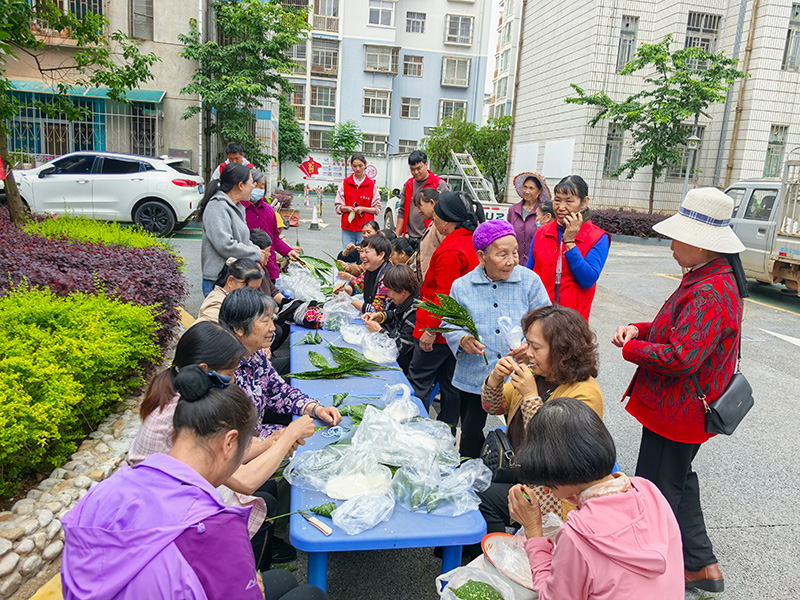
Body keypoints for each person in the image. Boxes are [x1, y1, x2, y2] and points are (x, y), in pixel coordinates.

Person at [63, 364, 327, 600]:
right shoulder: (216, 529)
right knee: (311, 594)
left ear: (175, 434)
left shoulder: (103, 491)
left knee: (284, 581)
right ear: (229, 443)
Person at [612, 187, 748, 593]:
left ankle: (654, 575)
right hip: (680, 410)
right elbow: (676, 330)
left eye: (677, 238)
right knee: (678, 481)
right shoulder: (708, 277)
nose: (671, 246)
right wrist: (639, 329)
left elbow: (680, 356)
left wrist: (632, 349)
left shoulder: (710, 290)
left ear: (701, 243)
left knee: (655, 492)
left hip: (678, 410)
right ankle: (702, 565)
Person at [127, 322, 315, 571]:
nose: (235, 380)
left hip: (177, 501)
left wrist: (274, 441)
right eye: (232, 372)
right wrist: (289, 435)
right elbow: (243, 480)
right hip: (174, 522)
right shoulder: (186, 413)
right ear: (205, 370)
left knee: (267, 492)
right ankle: (248, 576)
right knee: (260, 502)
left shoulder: (182, 392)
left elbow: (228, 457)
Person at [508, 397, 683, 599]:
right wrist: (580, 498)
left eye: (546, 481)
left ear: (559, 474)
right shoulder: (648, 490)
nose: (546, 490)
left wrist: (533, 529)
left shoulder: (577, 536)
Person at [479, 305, 603, 539]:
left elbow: (553, 450)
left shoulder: (585, 393)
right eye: (527, 344)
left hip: (553, 490)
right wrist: (495, 378)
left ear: (562, 351)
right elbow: (493, 407)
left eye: (535, 347)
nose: (527, 353)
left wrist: (529, 396)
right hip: (522, 471)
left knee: (483, 498)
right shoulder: (537, 374)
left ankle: (499, 551)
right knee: (472, 480)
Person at [443, 220, 550, 458]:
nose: (512, 260)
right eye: (503, 254)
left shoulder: (529, 281)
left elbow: (546, 320)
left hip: (520, 373)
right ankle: (470, 466)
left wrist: (529, 346)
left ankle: (515, 469)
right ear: (482, 256)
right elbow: (448, 323)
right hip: (475, 373)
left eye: (515, 252)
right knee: (471, 430)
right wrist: (462, 339)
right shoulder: (462, 286)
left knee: (521, 429)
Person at [408, 191, 481, 421]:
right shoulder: (471, 241)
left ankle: (415, 425)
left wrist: (431, 330)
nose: (433, 221)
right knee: (451, 384)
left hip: (439, 330)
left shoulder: (451, 250)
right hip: (458, 329)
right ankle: (446, 430)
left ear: (447, 220)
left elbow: (444, 296)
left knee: (419, 381)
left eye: (435, 217)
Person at [526, 175, 610, 320]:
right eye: (557, 200)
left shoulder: (598, 237)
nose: (561, 207)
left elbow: (588, 280)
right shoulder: (542, 232)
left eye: (569, 201)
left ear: (584, 202)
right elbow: (529, 273)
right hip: (539, 316)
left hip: (571, 322)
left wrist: (570, 242)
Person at [199, 163, 263, 296]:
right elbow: (225, 245)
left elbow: (244, 240)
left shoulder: (238, 207)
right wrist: (256, 253)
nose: (254, 187)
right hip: (218, 280)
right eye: (252, 183)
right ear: (240, 185)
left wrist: (257, 251)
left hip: (236, 277)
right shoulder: (217, 206)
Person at [242, 168, 302, 282]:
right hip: (247, 269)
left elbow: (275, 237)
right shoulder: (239, 210)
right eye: (255, 185)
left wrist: (288, 251)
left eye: (262, 186)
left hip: (269, 267)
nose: (258, 189)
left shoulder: (269, 210)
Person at [361, 264, 419, 375]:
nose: (389, 295)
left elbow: (401, 347)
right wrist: (379, 316)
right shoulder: (406, 300)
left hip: (405, 365)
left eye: (391, 290)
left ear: (402, 291)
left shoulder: (415, 311)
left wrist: (379, 331)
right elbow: (395, 313)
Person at [395, 150, 449, 242]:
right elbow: (402, 211)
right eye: (412, 169)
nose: (416, 172)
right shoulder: (408, 185)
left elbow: (446, 212)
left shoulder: (439, 184)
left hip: (432, 238)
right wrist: (396, 236)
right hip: (411, 237)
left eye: (419, 168)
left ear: (426, 165)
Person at [334, 234, 392, 313]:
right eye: (361, 251)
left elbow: (375, 310)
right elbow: (356, 286)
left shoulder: (388, 278)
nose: (362, 256)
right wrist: (344, 289)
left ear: (381, 255)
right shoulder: (371, 268)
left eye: (366, 252)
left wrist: (350, 301)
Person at [334, 153, 382, 250]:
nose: (358, 169)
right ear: (351, 166)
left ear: (365, 165)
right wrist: (346, 208)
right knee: (348, 253)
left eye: (360, 166)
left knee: (364, 254)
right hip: (348, 227)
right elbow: (338, 206)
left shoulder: (371, 185)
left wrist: (363, 209)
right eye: (355, 166)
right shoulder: (345, 183)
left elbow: (377, 209)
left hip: (366, 229)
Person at [195, 257, 263, 324]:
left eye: (256, 290)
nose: (254, 295)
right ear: (231, 281)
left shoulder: (238, 302)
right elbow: (207, 326)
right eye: (249, 289)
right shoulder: (216, 304)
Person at [508, 172, 551, 265]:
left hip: (535, 263)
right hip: (514, 263)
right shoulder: (513, 210)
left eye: (531, 188)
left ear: (540, 191)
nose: (527, 191)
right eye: (525, 187)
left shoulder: (544, 212)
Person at [414, 187, 445, 281]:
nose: (419, 211)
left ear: (432, 203)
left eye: (420, 206)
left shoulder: (440, 225)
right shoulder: (434, 223)